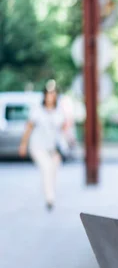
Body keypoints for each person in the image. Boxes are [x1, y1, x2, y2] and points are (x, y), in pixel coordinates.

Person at [19, 80, 68, 211]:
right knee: (46, 168)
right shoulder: (37, 111)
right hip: (38, 146)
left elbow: (63, 129)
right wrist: (23, 144)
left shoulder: (59, 112)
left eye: (53, 94)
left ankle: (51, 193)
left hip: (54, 148)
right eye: (48, 94)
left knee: (53, 171)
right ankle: (49, 198)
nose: (50, 97)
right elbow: (28, 128)